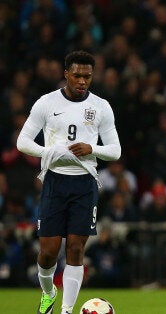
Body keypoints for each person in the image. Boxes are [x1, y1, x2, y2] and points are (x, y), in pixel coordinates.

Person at [16, 50, 121, 314]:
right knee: (49, 252)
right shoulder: (46, 103)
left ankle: (66, 310)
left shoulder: (100, 106)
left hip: (85, 183)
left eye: (87, 76)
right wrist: (48, 152)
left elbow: (115, 150)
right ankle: (49, 292)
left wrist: (92, 148)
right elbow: (23, 142)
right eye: (77, 75)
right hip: (54, 182)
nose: (82, 81)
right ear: (66, 74)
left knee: (75, 247)